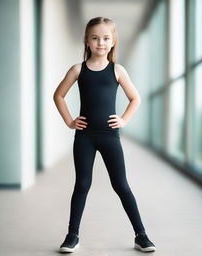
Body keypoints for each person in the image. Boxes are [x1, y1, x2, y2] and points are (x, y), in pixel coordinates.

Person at [53, 16, 156, 253]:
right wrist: (69, 121)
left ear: (113, 42)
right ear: (87, 42)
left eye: (106, 38)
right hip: (85, 137)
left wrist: (124, 119)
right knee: (82, 184)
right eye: (95, 38)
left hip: (110, 136)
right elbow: (58, 95)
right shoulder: (78, 69)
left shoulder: (117, 70)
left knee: (121, 185)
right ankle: (72, 236)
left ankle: (141, 235)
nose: (100, 42)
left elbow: (135, 98)